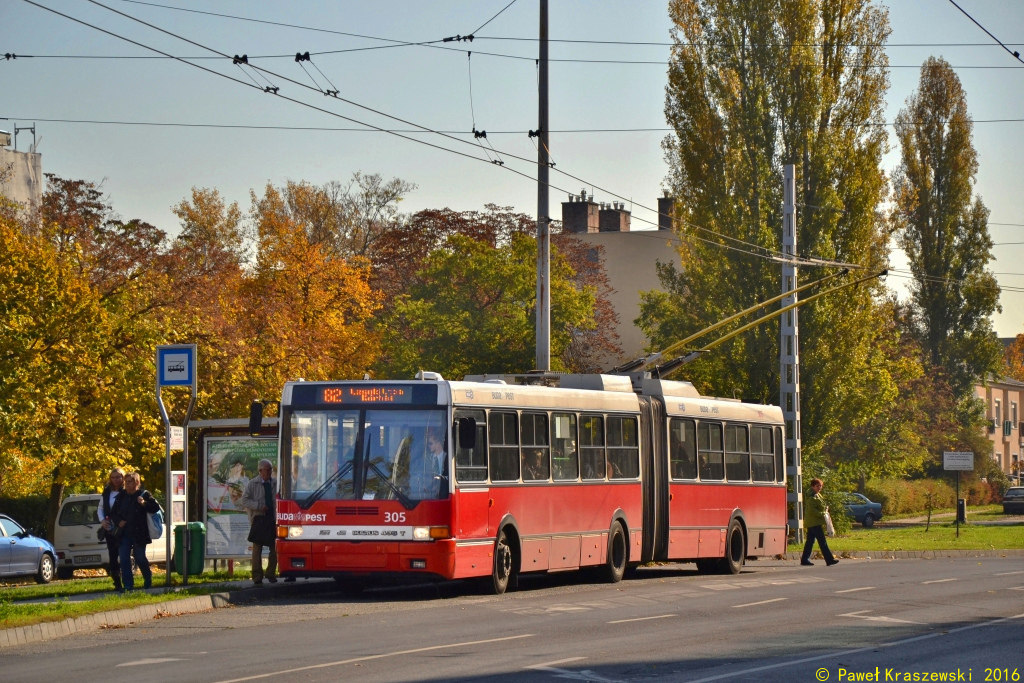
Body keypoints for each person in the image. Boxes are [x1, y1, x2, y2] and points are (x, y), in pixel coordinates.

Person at [110, 472, 161, 591]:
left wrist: (144, 503)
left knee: (140, 557)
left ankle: (147, 576)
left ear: (137, 483)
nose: (127, 484)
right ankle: (128, 585)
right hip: (124, 533)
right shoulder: (121, 496)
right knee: (124, 559)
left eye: (130, 482)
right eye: (126, 482)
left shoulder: (144, 494)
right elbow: (113, 513)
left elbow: (155, 508)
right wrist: (118, 521)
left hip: (139, 533)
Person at [241, 459, 278, 585]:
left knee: (275, 547)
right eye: (267, 470)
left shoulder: (275, 483)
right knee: (257, 548)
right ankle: (257, 576)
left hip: (273, 519)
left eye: (271, 469)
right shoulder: (253, 484)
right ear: (260, 471)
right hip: (259, 519)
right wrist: (258, 506)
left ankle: (271, 573)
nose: (270, 472)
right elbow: (244, 501)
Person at [97, 467, 125, 591]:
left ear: (123, 478)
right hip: (110, 528)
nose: (115, 480)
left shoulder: (126, 491)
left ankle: (128, 580)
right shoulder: (107, 492)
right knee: (112, 555)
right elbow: (100, 508)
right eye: (113, 477)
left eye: (118, 477)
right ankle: (117, 582)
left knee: (124, 555)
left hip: (124, 528)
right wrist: (103, 521)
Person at [802, 477, 839, 567]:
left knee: (810, 542)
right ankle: (829, 559)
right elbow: (812, 510)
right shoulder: (812, 497)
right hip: (814, 522)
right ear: (813, 486)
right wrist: (823, 513)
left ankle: (804, 559)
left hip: (814, 522)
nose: (819, 488)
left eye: (820, 486)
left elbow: (820, 505)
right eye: (817, 486)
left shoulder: (817, 495)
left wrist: (825, 509)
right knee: (822, 541)